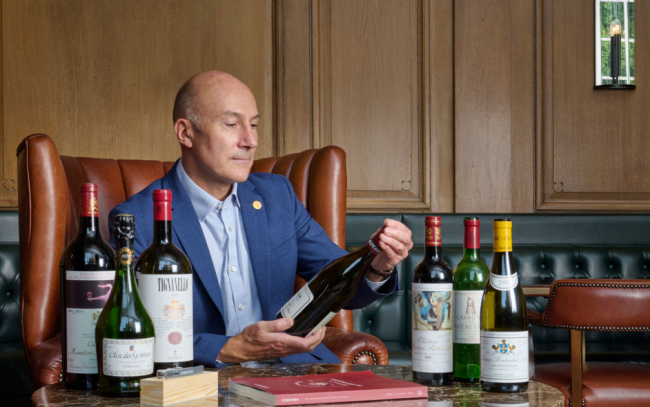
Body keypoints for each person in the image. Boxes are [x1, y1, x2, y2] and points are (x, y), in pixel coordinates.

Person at [108, 71, 413, 367]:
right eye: (232, 124)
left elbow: (340, 283)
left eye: (253, 125)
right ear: (185, 133)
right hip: (201, 379)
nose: (250, 140)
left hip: (291, 370)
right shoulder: (138, 219)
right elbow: (127, 331)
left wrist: (377, 266)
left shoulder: (277, 196)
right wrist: (230, 349)